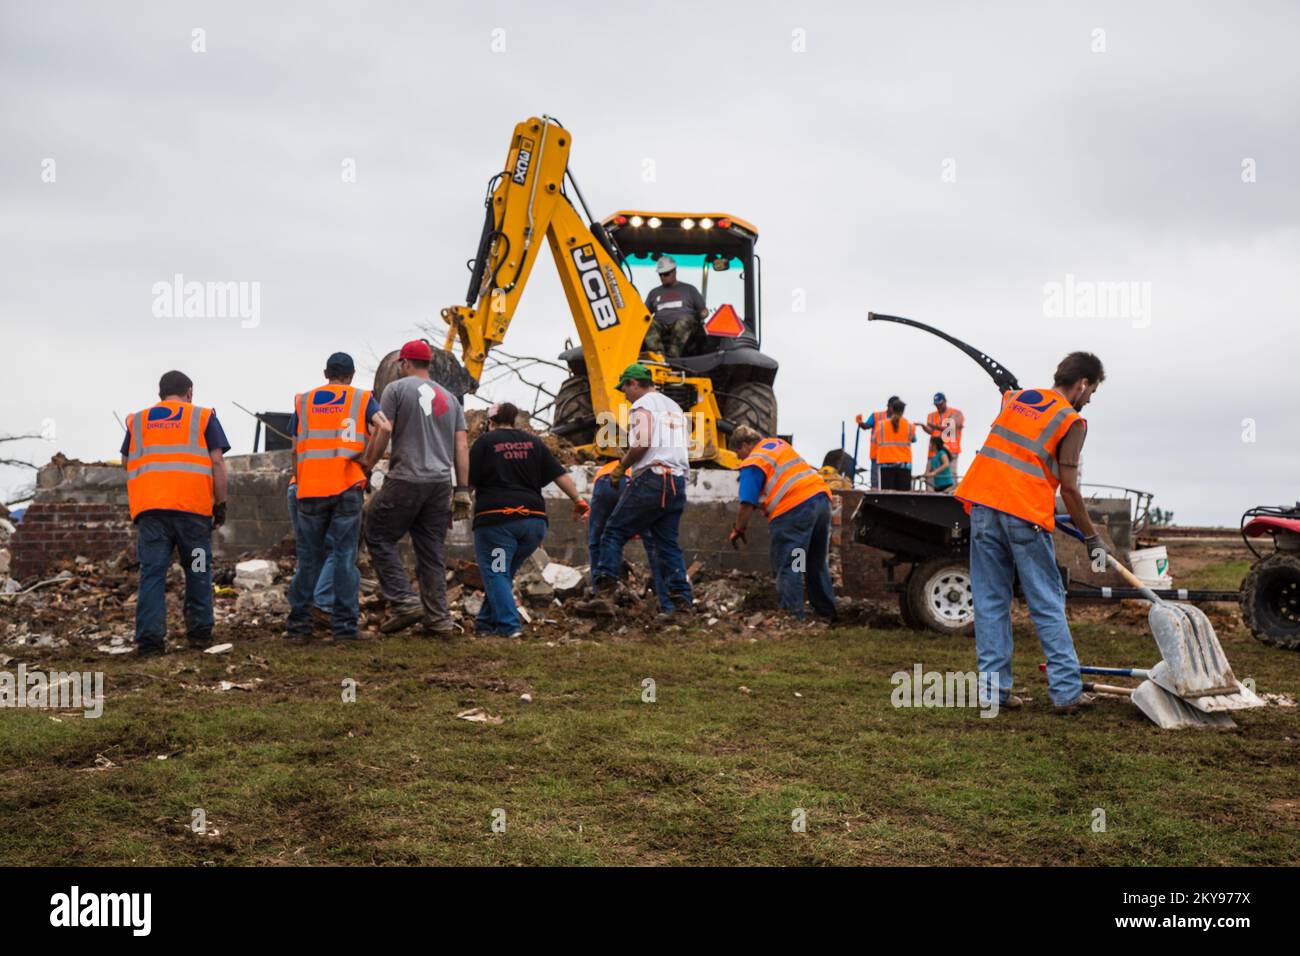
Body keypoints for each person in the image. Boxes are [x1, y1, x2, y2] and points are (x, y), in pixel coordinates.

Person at [955, 352, 1110, 715]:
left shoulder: (1017, 399)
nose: (1088, 402)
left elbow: (1015, 412)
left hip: (982, 506)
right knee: (1047, 601)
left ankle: (993, 693)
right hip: (1023, 513)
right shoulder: (1071, 421)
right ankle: (1066, 692)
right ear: (1082, 384)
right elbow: (1069, 490)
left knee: (991, 601)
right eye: (1091, 393)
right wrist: (1092, 539)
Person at [363, 340, 469, 636]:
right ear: (429, 365)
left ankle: (404, 601)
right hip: (439, 486)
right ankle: (439, 621)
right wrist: (462, 489)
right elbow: (461, 445)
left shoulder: (395, 390)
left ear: (405, 363)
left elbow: (384, 429)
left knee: (378, 534)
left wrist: (368, 464)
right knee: (431, 551)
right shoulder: (451, 398)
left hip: (406, 478)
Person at [120, 370, 230, 656]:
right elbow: (217, 462)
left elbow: (126, 460)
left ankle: (150, 642)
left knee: (153, 574)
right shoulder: (202, 417)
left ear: (160, 393)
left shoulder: (139, 420)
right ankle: (200, 634)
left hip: (152, 513)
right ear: (189, 392)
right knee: (197, 570)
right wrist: (220, 504)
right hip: (192, 513)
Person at [285, 352, 387, 642]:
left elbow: (294, 449)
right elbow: (385, 426)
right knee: (344, 557)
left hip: (309, 488)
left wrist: (301, 479)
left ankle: (298, 628)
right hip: (346, 486)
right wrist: (368, 462)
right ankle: (343, 628)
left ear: (325, 373)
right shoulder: (360, 399)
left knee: (308, 559)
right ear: (351, 376)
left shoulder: (303, 402)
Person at [469, 402, 589, 636]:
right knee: (501, 574)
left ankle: (509, 626)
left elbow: (468, 482)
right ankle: (485, 623)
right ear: (513, 420)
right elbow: (559, 474)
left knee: (496, 572)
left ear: (490, 423)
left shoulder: (484, 442)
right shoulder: (533, 443)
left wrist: (453, 505)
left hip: (498, 524)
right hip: (533, 525)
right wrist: (578, 500)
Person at [589, 364, 693, 616]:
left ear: (634, 383)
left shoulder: (642, 404)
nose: (624, 394)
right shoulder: (675, 408)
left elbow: (642, 442)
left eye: (624, 388)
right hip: (677, 482)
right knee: (667, 544)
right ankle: (682, 603)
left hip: (653, 478)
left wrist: (621, 466)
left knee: (613, 532)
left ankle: (605, 592)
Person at [728, 426, 837, 621]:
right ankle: (826, 612)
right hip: (821, 503)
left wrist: (738, 529)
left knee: (792, 563)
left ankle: (792, 616)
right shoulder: (778, 445)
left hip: (796, 512)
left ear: (744, 445)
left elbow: (746, 504)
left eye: (739, 454)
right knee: (814, 562)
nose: (740, 460)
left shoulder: (754, 461)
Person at [588, 458, 664, 597]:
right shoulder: (642, 461)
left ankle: (600, 590)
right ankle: (662, 589)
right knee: (651, 541)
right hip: (632, 480)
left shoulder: (607, 465)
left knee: (597, 541)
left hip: (604, 482)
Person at [641, 255, 708, 359]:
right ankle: (658, 356)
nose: (663, 277)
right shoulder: (654, 293)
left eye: (666, 274)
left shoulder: (689, 289)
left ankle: (673, 357)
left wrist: (702, 314)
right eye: (660, 274)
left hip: (685, 326)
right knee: (648, 324)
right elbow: (644, 314)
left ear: (674, 271)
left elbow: (703, 310)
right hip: (661, 325)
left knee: (684, 321)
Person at [855, 396, 897, 489]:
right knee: (875, 483)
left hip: (891, 457)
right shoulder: (877, 416)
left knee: (890, 484)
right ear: (889, 406)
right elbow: (866, 426)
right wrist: (860, 422)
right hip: (877, 455)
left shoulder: (898, 419)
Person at [875, 398, 916, 490]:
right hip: (904, 465)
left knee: (887, 497)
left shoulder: (881, 425)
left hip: (886, 464)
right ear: (903, 411)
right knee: (903, 497)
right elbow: (913, 439)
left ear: (892, 409)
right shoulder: (910, 426)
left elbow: (874, 440)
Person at [923, 392, 964, 479]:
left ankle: (951, 492)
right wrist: (923, 426)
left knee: (950, 475)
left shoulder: (956, 413)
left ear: (945, 401)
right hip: (935, 450)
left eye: (940, 404)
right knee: (930, 476)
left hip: (950, 449)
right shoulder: (932, 415)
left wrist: (934, 426)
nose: (938, 406)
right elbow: (930, 431)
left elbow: (951, 428)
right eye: (936, 405)